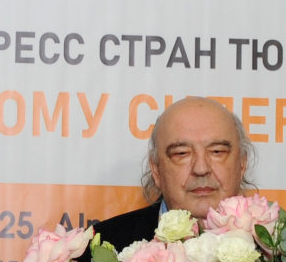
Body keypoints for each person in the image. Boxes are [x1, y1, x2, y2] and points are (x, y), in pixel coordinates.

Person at [93, 96, 253, 253]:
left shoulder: (268, 245)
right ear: (156, 169)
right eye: (182, 153)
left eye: (217, 151)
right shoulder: (100, 247)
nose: (201, 169)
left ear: (242, 164)